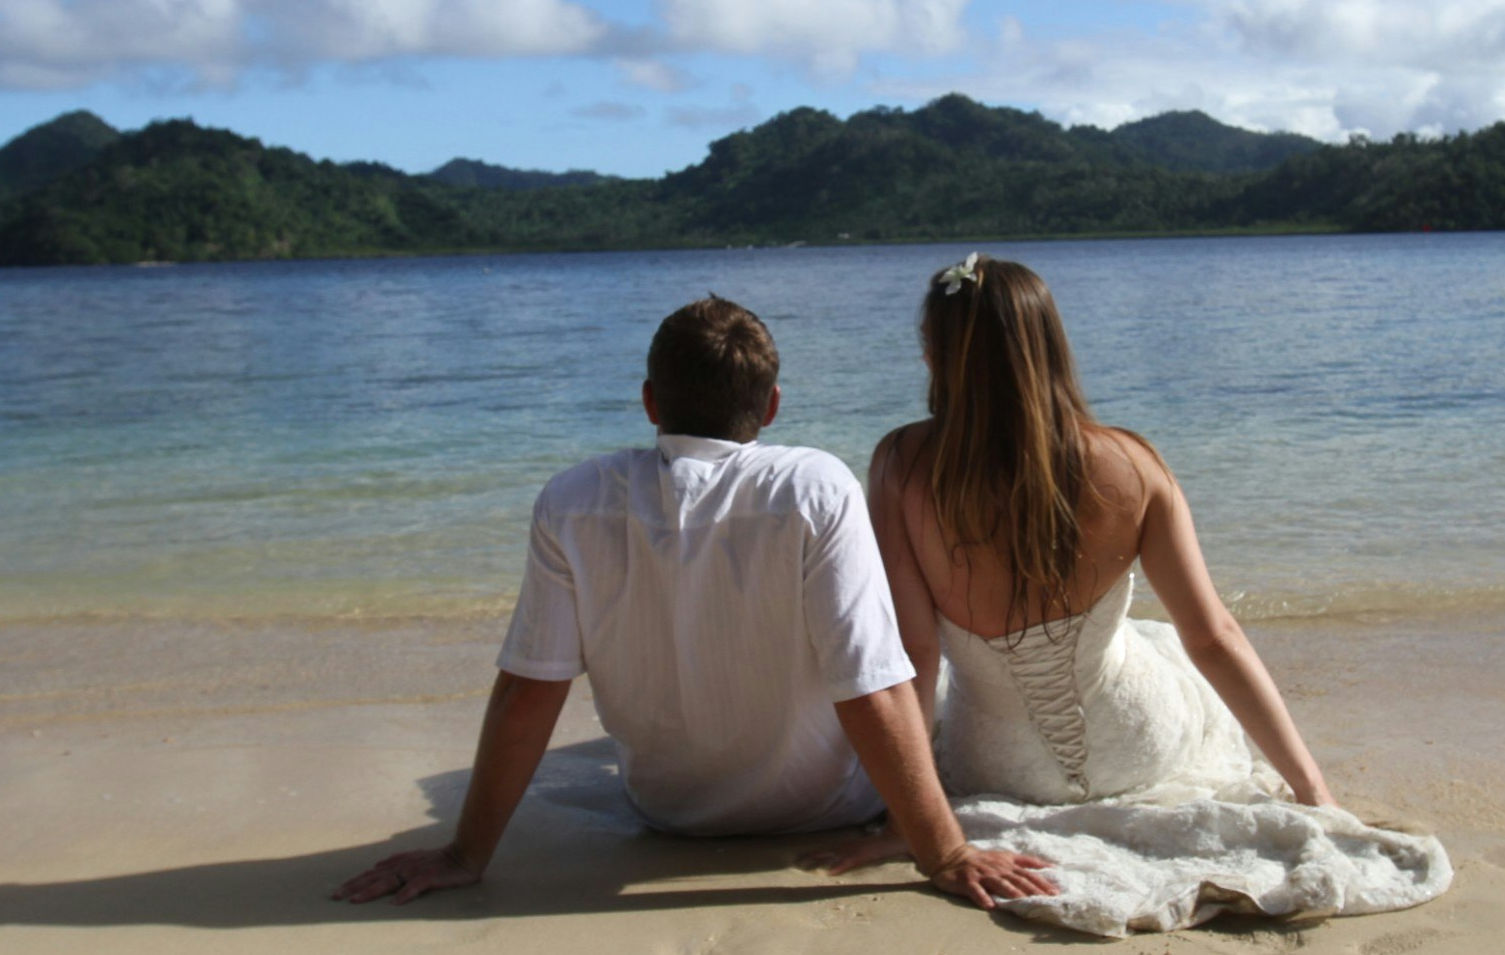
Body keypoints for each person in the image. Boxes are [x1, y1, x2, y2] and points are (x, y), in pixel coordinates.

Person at [335, 296, 1055, 911]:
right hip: (825, 809)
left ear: (651, 400)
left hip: (671, 813)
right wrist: (946, 852)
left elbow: (529, 689)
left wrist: (467, 852)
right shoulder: (812, 486)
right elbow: (867, 686)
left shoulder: (572, 499)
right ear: (772, 405)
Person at [867, 254, 1340, 811]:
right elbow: (1214, 638)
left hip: (995, 768)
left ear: (934, 357)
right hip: (1140, 746)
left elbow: (915, 650)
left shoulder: (901, 466)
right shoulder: (1134, 465)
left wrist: (908, 817)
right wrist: (1314, 790)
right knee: (1160, 642)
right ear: (1050, 347)